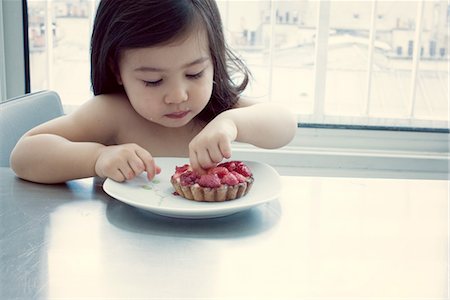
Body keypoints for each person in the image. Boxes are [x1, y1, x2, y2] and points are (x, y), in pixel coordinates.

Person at [10, 0, 296, 184]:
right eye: (152, 80)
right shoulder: (112, 114)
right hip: (127, 248)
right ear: (116, 70)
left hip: (204, 250)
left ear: (214, 60)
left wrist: (231, 123)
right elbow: (24, 154)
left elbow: (285, 124)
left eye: (194, 74)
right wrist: (96, 158)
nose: (178, 95)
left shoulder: (216, 109)